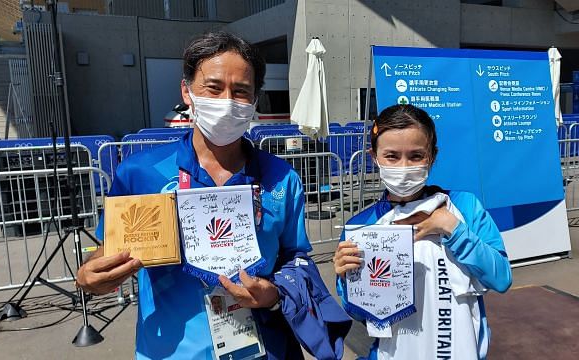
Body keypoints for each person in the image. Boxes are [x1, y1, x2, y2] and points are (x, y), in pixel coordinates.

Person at [76, 31, 322, 359]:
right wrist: (93, 273)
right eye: (214, 87)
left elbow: (298, 259)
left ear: (254, 100)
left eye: (241, 91)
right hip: (173, 351)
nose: (226, 102)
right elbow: (107, 249)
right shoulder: (140, 173)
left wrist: (274, 292)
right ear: (187, 91)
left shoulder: (283, 179)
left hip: (267, 349)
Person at [333, 104, 513, 360]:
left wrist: (452, 227)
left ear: (432, 156)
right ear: (374, 157)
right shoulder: (363, 227)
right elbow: (362, 315)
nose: (404, 166)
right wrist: (345, 280)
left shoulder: (464, 207)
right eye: (392, 156)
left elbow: (501, 277)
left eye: (416, 156)